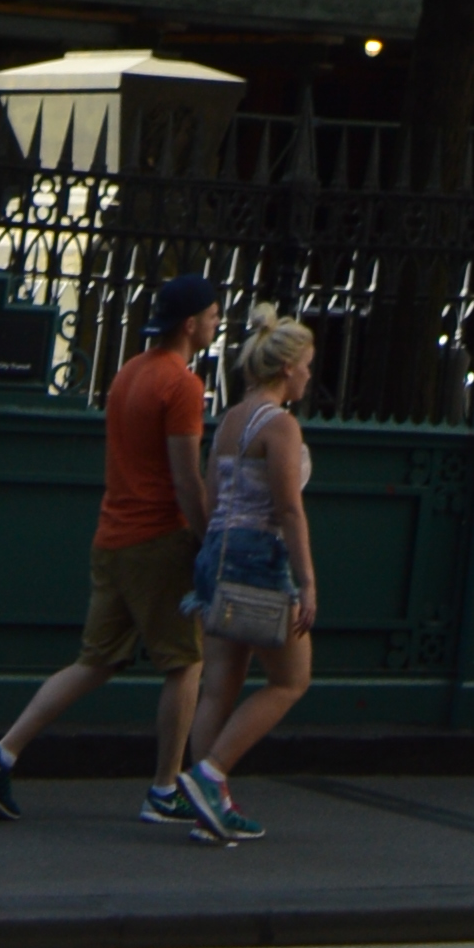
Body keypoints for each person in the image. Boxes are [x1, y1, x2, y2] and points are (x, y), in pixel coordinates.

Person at [0, 271, 219, 821]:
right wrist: (208, 539)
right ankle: (163, 789)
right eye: (213, 315)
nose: (217, 322)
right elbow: (186, 478)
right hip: (158, 540)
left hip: (112, 536)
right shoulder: (183, 386)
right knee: (185, 664)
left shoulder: (129, 372)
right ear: (190, 323)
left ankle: (1, 753)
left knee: (95, 661)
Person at [172, 309, 322, 844]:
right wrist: (306, 581)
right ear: (286, 367)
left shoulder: (233, 418)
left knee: (220, 685)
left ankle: (207, 809)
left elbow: (212, 497)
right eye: (305, 365)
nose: (308, 375)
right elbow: (288, 508)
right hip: (259, 558)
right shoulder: (280, 424)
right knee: (290, 680)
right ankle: (211, 777)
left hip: (217, 554)